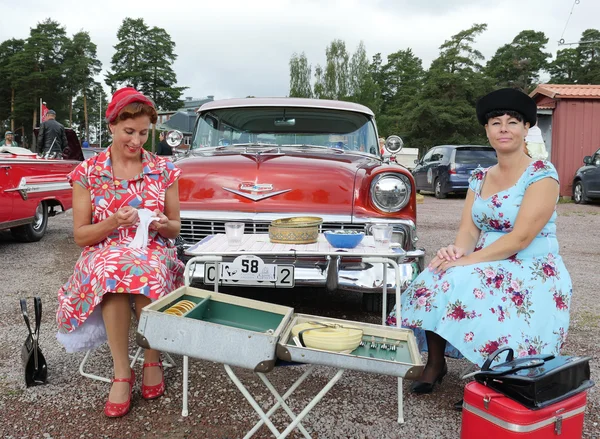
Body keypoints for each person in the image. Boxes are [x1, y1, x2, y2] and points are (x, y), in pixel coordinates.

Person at [386, 88, 572, 409]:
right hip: (487, 260)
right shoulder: (479, 177)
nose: (503, 128)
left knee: (471, 280)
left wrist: (467, 263)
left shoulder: (542, 174)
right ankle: (435, 362)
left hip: (531, 266)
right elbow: (468, 230)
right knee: (439, 273)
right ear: (486, 130)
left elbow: (521, 239)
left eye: (512, 122)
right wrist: (455, 255)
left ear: (526, 128)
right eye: (495, 122)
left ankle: (494, 379)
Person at [56, 87, 184, 418]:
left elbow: (175, 229)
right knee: (114, 271)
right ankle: (122, 372)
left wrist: (158, 223)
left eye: (144, 133)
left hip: (153, 247)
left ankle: (152, 358)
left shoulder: (164, 170)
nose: (138, 141)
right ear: (111, 126)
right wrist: (113, 221)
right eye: (130, 132)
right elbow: (81, 236)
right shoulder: (88, 173)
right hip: (104, 248)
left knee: (144, 269)